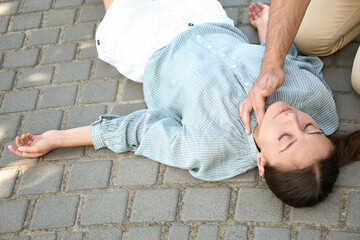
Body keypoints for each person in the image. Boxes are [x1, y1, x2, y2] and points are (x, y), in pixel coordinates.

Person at [8, 0, 360, 208]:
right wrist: (268, 32)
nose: (292, 121)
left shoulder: (209, 148)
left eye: (285, 138)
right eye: (309, 127)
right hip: (205, 17)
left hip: (149, 44)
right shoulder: (315, 101)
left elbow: (139, 132)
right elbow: (293, 64)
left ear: (262, 162)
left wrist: (56, 138)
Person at [240, 0, 360, 133]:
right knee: (308, 41)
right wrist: (272, 65)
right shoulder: (319, 101)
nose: (291, 118)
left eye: (285, 137)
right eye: (307, 127)